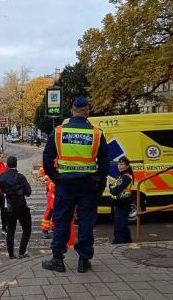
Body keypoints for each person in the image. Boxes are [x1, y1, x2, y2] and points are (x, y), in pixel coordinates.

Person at [41, 96, 109, 273]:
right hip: (87, 185)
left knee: (61, 220)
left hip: (65, 184)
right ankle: (83, 260)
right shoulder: (96, 133)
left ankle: (58, 259)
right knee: (86, 222)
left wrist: (57, 179)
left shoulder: (58, 132)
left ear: (72, 111)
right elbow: (104, 164)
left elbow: (47, 160)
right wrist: (98, 184)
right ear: (87, 112)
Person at [0, 156, 32, 259]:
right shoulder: (21, 177)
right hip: (22, 207)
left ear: (7, 165)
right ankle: (21, 252)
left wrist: (2, 194)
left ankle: (11, 254)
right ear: (16, 164)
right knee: (27, 229)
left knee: (10, 231)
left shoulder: (1, 177)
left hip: (9, 208)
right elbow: (28, 192)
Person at [108, 157, 134, 244]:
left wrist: (112, 188)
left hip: (122, 203)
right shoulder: (121, 176)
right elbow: (113, 186)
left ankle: (118, 241)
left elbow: (115, 190)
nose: (119, 166)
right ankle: (127, 240)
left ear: (127, 166)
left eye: (122, 164)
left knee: (119, 224)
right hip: (120, 202)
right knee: (123, 223)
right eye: (119, 164)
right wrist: (112, 187)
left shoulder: (126, 177)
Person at [39, 166, 55, 238]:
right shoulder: (51, 157)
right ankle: (45, 229)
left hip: (58, 187)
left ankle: (53, 226)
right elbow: (42, 169)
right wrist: (47, 179)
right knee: (50, 210)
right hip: (52, 188)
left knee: (56, 210)